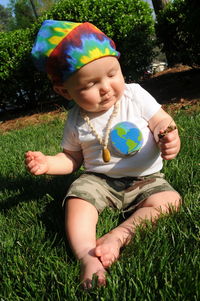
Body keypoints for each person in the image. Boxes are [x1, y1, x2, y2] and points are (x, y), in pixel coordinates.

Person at [25, 20, 181, 289]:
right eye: (90, 83)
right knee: (77, 202)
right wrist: (49, 163)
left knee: (170, 199)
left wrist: (168, 136)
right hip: (99, 179)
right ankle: (87, 257)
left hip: (145, 178)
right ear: (65, 91)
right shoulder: (76, 119)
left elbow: (161, 121)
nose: (106, 87)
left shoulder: (134, 95)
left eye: (112, 73)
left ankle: (120, 235)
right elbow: (72, 160)